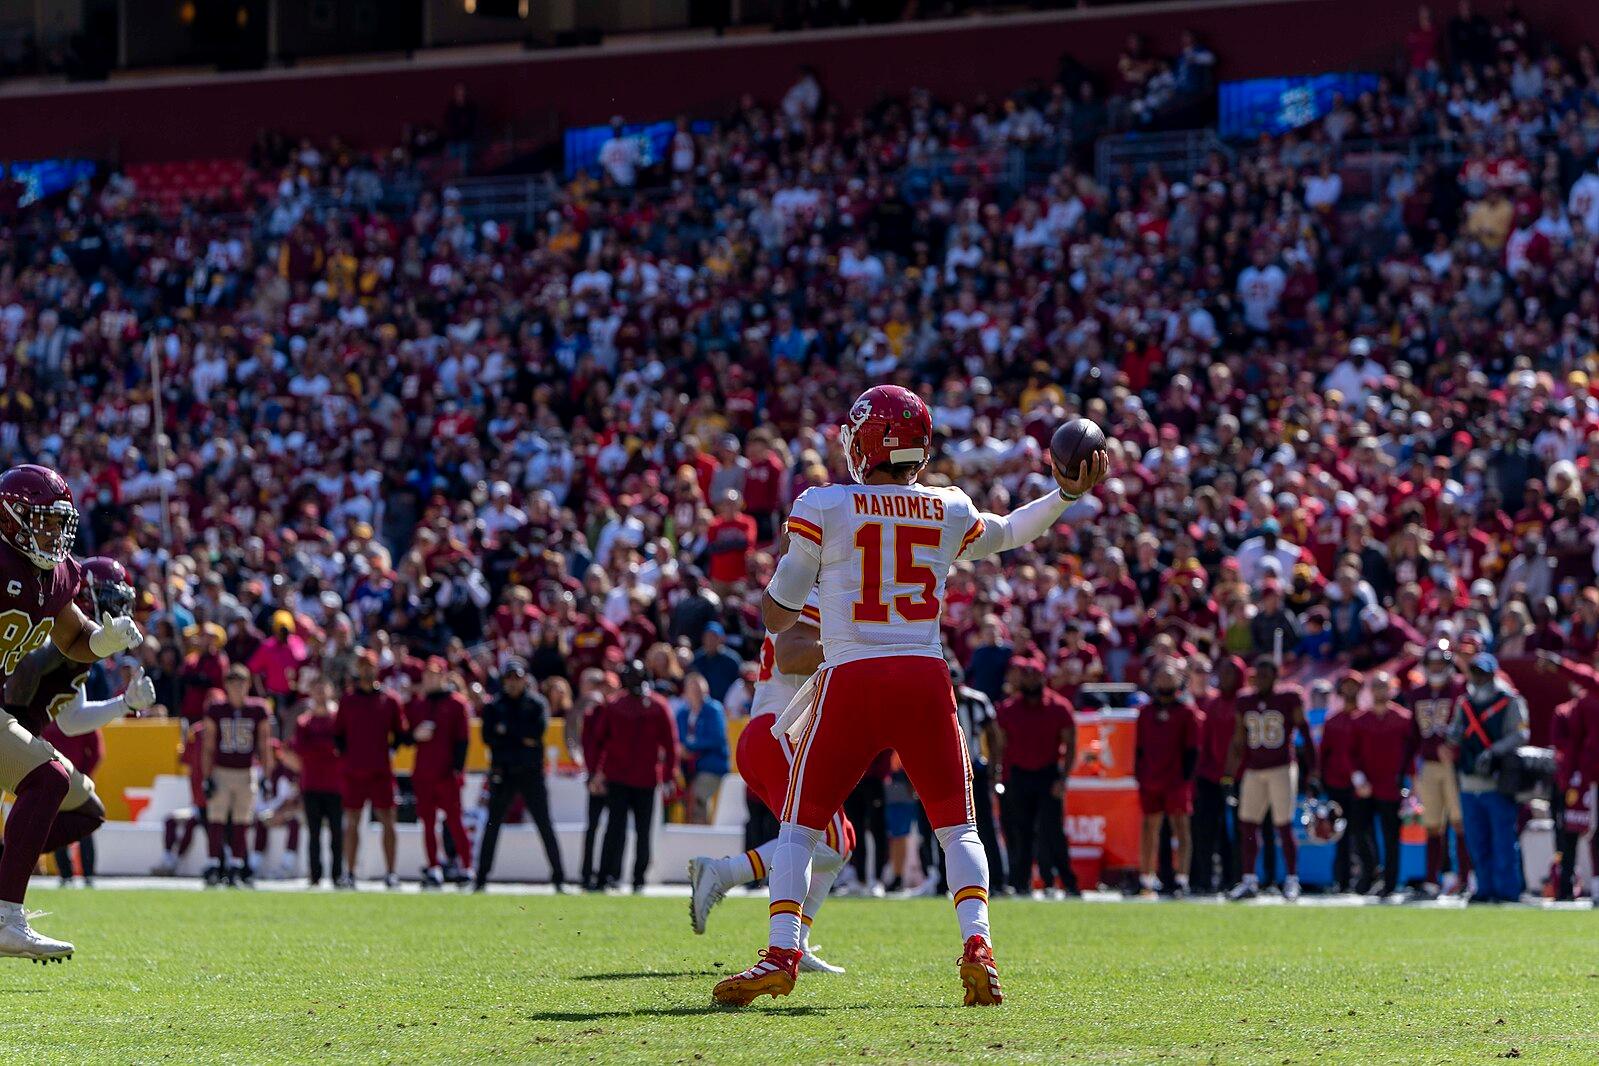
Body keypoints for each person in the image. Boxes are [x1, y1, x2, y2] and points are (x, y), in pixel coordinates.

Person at [713, 384, 1107, 1008]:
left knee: (797, 825)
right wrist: (1064, 495)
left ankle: (782, 950)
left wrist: (780, 595)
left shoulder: (825, 503)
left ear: (865, 441)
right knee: (959, 828)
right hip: (924, 677)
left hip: (853, 678)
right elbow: (1006, 532)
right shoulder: (948, 506)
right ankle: (978, 946)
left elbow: (781, 614)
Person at [0, 471, 144, 960]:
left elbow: (75, 639)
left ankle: (5, 915)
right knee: (49, 779)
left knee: (51, 781)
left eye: (59, 524)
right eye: (43, 522)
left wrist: (104, 641)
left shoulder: (57, 572)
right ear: (13, 516)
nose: (53, 536)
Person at [689, 591, 850, 974]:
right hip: (776, 731)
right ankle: (724, 871)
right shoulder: (813, 587)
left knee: (844, 838)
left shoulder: (813, 583)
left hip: (779, 734)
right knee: (831, 840)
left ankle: (798, 941)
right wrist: (854, 648)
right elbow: (790, 655)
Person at [1226, 656, 1313, 901]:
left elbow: (1304, 732)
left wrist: (1312, 771)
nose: (1260, 680)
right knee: (1248, 824)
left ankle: (1292, 879)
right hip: (1254, 768)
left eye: (1266, 675)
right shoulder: (1245, 701)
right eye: (1258, 675)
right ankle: (1249, 879)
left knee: (1283, 824)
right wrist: (1229, 775)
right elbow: (1238, 740)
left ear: (1276, 677)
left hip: (1281, 767)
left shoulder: (1288, 698)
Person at [475, 658, 566, 892]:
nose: (513, 684)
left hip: (530, 773)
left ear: (525, 679)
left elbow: (537, 732)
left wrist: (506, 731)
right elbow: (488, 737)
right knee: (492, 825)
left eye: (517, 678)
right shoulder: (495, 706)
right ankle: (481, 879)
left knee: (544, 824)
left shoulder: (536, 704)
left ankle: (559, 878)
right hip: (503, 772)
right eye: (509, 679)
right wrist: (518, 737)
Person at [589, 658, 680, 892]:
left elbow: (670, 744)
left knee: (636, 831)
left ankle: (633, 877)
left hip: (642, 778)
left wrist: (669, 774)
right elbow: (599, 740)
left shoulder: (652, 706)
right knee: (618, 829)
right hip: (622, 777)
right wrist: (595, 772)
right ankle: (610, 876)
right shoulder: (617, 705)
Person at [1447, 652, 1530, 903]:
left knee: (1503, 841)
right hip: (1469, 781)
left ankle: (1507, 891)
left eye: (1483, 673)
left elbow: (1521, 735)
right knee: (1476, 841)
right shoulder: (1464, 703)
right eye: (1475, 673)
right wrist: (1452, 735)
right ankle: (1484, 889)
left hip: (1497, 781)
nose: (1478, 678)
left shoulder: (1509, 700)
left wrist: (1494, 751)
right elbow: (1455, 733)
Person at [995, 654, 1078, 899]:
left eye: (1035, 676)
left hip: (1047, 774)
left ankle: (1067, 882)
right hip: (1019, 775)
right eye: (1027, 676)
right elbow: (1000, 745)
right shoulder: (1009, 709)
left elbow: (1071, 743)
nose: (1031, 681)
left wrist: (1063, 778)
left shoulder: (1059, 707)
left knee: (1053, 831)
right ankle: (1021, 883)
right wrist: (1001, 776)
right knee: (1021, 831)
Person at [1403, 640, 1471, 896]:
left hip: (1453, 764)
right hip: (1428, 764)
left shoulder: (1458, 689)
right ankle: (1432, 880)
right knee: (1432, 825)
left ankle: (1465, 878)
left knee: (1459, 823)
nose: (1435, 667)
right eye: (1430, 663)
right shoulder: (1418, 693)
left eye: (1440, 663)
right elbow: (1412, 736)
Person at [335, 651, 407, 889]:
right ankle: (350, 872)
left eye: (370, 666)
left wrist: (388, 752)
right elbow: (339, 735)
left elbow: (400, 733)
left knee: (388, 819)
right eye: (362, 666)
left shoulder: (389, 699)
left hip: (380, 771)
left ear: (377, 669)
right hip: (355, 771)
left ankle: (391, 872)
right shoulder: (348, 700)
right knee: (352, 820)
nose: (366, 670)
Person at [202, 663, 275, 886]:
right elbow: (208, 746)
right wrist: (206, 777)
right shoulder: (216, 709)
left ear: (248, 685)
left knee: (242, 822)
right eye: (233, 684)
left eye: (241, 684)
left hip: (246, 771)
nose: (237, 689)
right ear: (226, 686)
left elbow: (264, 745)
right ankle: (215, 865)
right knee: (216, 820)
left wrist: (267, 776)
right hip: (222, 771)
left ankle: (236, 866)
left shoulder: (258, 709)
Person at [1134, 660, 1201, 898]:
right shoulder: (1146, 712)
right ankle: (1146, 878)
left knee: (1181, 828)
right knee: (1149, 827)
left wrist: (1185, 778)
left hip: (1175, 779)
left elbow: (1193, 749)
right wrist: (1140, 774)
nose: (1165, 682)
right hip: (1151, 778)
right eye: (1161, 677)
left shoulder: (1186, 712)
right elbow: (1138, 747)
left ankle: (1182, 878)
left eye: (1169, 677)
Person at [406, 658, 474, 889]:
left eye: (435, 675)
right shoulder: (418, 705)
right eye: (427, 675)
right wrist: (416, 735)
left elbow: (463, 741)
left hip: (446, 774)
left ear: (445, 676)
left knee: (455, 822)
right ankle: (434, 867)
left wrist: (456, 770)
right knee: (428, 823)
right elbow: (404, 736)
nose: (430, 679)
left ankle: (466, 867)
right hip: (424, 772)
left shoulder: (457, 704)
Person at [1350, 672, 1415, 896]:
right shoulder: (1360, 720)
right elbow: (1350, 753)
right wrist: (1358, 778)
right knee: (1360, 832)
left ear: (1392, 690)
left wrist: (1409, 781)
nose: (1380, 691)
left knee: (1390, 837)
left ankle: (1389, 883)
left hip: (1391, 786)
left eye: (1384, 686)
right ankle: (1369, 873)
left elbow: (1411, 753)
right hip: (1366, 786)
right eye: (1376, 686)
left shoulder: (1403, 719)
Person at [1190, 655, 1244, 894]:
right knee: (1206, 830)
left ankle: (1234, 879)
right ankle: (1202, 879)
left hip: (1240, 775)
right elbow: (1207, 741)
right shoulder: (1213, 704)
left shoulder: (1244, 703)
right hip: (1211, 775)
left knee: (1234, 832)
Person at [952, 663, 1004, 889]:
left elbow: (994, 736)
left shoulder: (976, 701)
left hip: (975, 771)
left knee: (985, 827)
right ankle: (946, 882)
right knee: (945, 830)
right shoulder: (933, 699)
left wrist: (994, 769)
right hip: (946, 774)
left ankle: (998, 881)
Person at [292, 678, 344, 887]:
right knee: (313, 833)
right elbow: (301, 750)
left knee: (336, 833)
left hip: (335, 784)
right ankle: (315, 875)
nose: (321, 694)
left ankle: (337, 875)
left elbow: (341, 749)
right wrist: (326, 748)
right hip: (311, 784)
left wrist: (318, 747)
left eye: (324, 689)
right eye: (317, 690)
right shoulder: (304, 721)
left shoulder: (338, 720)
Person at [1316, 675, 1362, 893]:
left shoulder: (1365, 719)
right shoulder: (1333, 721)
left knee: (1361, 833)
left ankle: (1364, 878)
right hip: (1337, 783)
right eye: (1346, 685)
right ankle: (1342, 880)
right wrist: (1321, 780)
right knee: (1340, 835)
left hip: (1360, 786)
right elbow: (1324, 753)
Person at [675, 673, 729, 824]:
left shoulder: (714, 710)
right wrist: (681, 749)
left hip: (711, 766)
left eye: (698, 690)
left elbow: (716, 738)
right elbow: (678, 738)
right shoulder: (683, 713)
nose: (695, 694)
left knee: (698, 796)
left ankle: (700, 831)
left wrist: (689, 747)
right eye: (691, 690)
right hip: (687, 767)